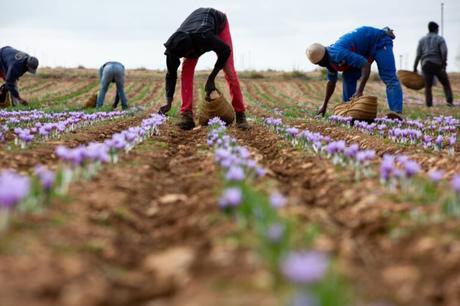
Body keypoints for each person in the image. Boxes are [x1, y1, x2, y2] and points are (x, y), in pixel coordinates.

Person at [159, 7, 248, 130]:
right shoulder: (174, 47)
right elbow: (171, 74)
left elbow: (225, 51)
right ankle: (186, 115)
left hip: (218, 23)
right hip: (194, 30)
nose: (188, 57)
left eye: (189, 54)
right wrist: (168, 102)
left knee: (229, 70)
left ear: (193, 48)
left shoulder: (204, 36)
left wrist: (211, 78)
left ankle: (240, 113)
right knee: (186, 70)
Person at [306, 26, 403, 119]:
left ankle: (396, 113)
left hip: (379, 41)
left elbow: (365, 65)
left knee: (388, 77)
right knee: (348, 77)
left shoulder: (337, 54)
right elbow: (331, 82)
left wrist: (360, 90)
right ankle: (350, 112)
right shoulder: (328, 61)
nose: (319, 66)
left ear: (322, 59)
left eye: (319, 63)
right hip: (363, 51)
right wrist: (324, 105)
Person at [413, 21, 454, 107]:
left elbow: (418, 54)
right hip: (437, 64)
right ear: (436, 29)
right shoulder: (440, 39)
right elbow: (444, 51)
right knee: (445, 83)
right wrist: (444, 63)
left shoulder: (422, 40)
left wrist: (415, 67)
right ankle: (449, 101)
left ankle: (429, 104)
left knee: (428, 85)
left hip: (426, 64)